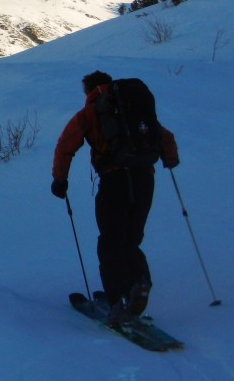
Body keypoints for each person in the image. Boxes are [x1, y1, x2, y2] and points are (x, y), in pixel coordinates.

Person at [51, 70, 179, 326]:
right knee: (131, 238)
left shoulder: (91, 111)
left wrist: (60, 180)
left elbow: (66, 145)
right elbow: (165, 137)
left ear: (88, 90)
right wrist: (170, 159)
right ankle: (139, 282)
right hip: (144, 178)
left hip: (114, 180)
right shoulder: (132, 108)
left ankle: (117, 302)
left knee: (110, 240)